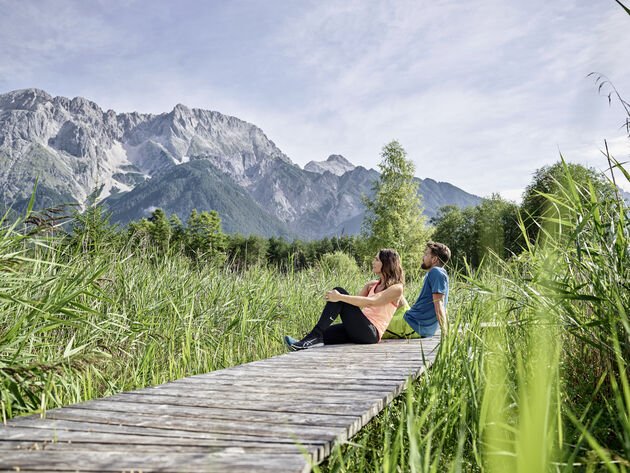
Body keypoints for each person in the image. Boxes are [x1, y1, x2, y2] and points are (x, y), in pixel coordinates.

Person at [284, 248, 407, 350]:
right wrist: (342, 298)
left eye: (376, 259)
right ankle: (305, 342)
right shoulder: (372, 285)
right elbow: (354, 305)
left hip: (371, 333)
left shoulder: (397, 288)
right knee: (323, 335)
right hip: (358, 328)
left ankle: (312, 338)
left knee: (340, 293)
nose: (372, 262)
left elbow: (371, 302)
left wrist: (339, 296)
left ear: (386, 264)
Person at [403, 241, 451, 337]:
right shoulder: (441, 273)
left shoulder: (436, 271)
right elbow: (443, 305)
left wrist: (445, 333)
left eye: (426, 255)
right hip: (418, 325)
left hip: (413, 326)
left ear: (434, 259)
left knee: (375, 322)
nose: (423, 257)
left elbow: (439, 303)